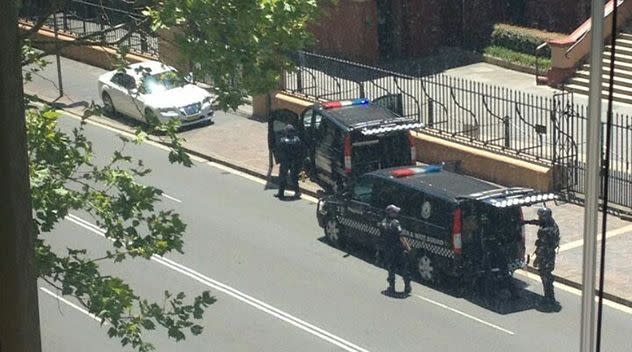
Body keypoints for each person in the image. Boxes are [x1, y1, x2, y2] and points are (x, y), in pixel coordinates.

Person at [524, 207, 560, 310]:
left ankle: (549, 298)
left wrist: (537, 259)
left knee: (545, 276)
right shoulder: (551, 223)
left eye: (540, 216)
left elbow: (542, 246)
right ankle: (549, 297)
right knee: (546, 276)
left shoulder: (547, 230)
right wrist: (527, 222)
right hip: (549, 254)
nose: (539, 218)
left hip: (546, 255)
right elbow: (539, 222)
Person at [379, 205, 413, 296]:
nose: (397, 214)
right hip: (398, 249)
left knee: (391, 268)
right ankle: (407, 286)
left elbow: (381, 236)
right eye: (395, 212)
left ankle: (391, 287)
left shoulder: (383, 223)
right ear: (390, 213)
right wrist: (408, 247)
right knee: (403, 267)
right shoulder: (395, 223)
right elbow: (401, 236)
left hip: (388, 249)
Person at [275, 124, 303, 199]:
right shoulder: (297, 140)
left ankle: (281, 193)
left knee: (283, 177)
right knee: (294, 177)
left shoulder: (282, 140)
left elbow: (279, 151)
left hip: (285, 162)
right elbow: (299, 151)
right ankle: (297, 192)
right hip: (294, 161)